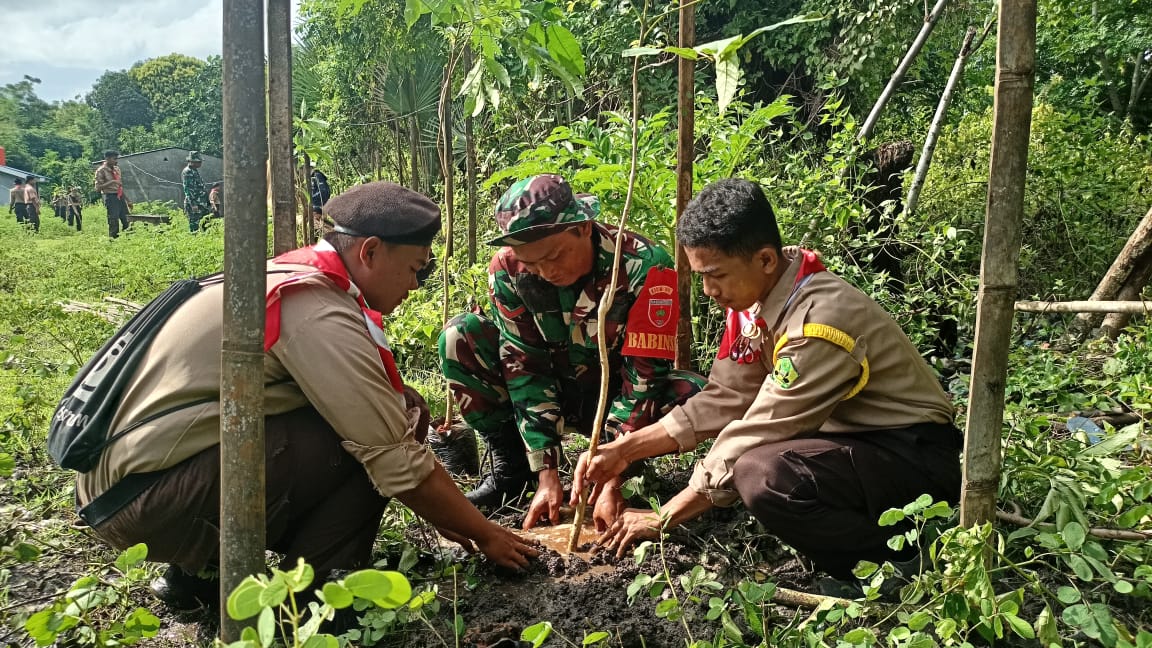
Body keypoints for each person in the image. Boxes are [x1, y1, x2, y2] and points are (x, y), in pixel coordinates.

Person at [73, 181, 538, 609]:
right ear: (371, 251)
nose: (415, 285)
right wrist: (484, 534)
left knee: (396, 407)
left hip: (128, 488)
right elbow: (393, 455)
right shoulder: (314, 307)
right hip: (152, 501)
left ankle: (199, 573)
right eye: (415, 268)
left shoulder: (284, 274)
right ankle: (317, 599)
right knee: (376, 438)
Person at [573, 178, 962, 590]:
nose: (708, 291)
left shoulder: (819, 323)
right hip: (857, 444)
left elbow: (761, 427)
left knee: (763, 475)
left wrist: (664, 516)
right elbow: (727, 396)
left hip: (912, 456)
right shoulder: (753, 299)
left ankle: (892, 567)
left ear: (765, 260)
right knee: (758, 466)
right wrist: (623, 450)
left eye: (716, 275)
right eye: (701, 276)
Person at [439, 174, 704, 529]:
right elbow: (524, 367)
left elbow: (645, 377)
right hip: (557, 391)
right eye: (533, 264)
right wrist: (546, 470)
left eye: (555, 255)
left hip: (616, 396)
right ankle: (514, 470)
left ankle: (631, 467)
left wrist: (614, 475)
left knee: (692, 393)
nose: (546, 271)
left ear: (583, 228)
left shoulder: (645, 265)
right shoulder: (507, 270)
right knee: (459, 336)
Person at [94, 151, 131, 238]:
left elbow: (119, 186)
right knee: (113, 221)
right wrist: (112, 182)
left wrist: (127, 200)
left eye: (116, 159)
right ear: (107, 159)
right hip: (111, 197)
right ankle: (113, 241)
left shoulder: (117, 169)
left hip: (120, 196)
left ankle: (128, 240)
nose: (116, 161)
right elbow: (98, 188)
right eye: (114, 159)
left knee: (127, 219)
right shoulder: (101, 170)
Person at [181, 151, 212, 232]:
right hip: (195, 204)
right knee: (195, 227)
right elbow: (188, 189)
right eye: (198, 161)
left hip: (202, 204)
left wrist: (207, 202)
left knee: (205, 226)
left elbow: (201, 188)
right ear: (192, 161)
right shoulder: (187, 172)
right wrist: (193, 204)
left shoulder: (195, 171)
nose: (200, 163)